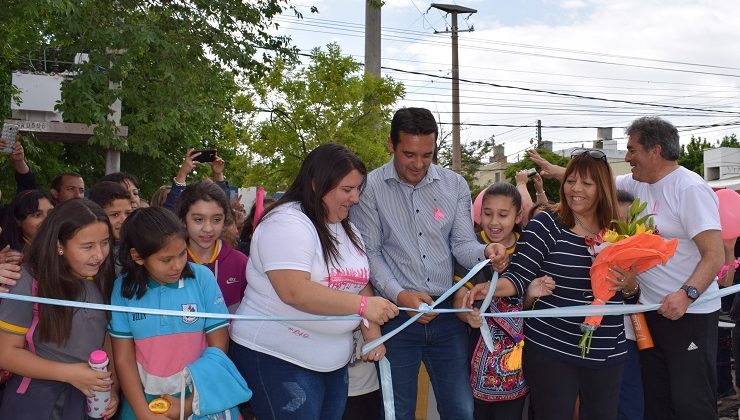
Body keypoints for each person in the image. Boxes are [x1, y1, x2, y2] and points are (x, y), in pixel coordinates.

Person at [529, 117, 725, 419]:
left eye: (632, 149)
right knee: (657, 401)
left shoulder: (689, 188)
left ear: (655, 150)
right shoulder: (635, 182)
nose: (628, 157)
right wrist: (556, 171)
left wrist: (687, 295)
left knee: (691, 402)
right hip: (648, 313)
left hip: (690, 313)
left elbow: (714, 255)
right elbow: (593, 181)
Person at [350, 108, 508, 420]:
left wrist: (486, 251)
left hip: (447, 315)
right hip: (396, 317)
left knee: (460, 410)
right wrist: (400, 296)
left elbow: (461, 245)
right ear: (390, 145)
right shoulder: (369, 189)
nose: (419, 164)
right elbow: (371, 254)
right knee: (397, 412)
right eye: (409, 154)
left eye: (428, 154)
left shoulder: (455, 185)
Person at [230, 143, 399, 420]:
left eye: (358, 189)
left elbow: (358, 280)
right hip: (279, 358)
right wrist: (362, 306)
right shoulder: (287, 223)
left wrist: (372, 333)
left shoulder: (347, 227)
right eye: (347, 190)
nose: (355, 198)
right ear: (317, 183)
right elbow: (294, 290)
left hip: (331, 364)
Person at [469, 149, 636, 420]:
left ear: (603, 187)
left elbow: (631, 294)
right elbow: (518, 277)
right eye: (570, 181)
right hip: (551, 349)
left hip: (607, 351)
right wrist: (486, 291)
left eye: (586, 183)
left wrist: (629, 284)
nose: (575, 189)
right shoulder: (547, 223)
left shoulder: (620, 231)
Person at [109, 207, 233, 420]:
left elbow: (218, 349)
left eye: (182, 253)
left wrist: (190, 402)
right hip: (142, 400)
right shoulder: (123, 289)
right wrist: (143, 413)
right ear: (138, 256)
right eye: (166, 260)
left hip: (200, 396)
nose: (177, 265)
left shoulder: (202, 279)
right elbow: (123, 359)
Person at [0, 199, 119, 419]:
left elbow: (107, 338)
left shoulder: (106, 277)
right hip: (36, 402)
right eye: (87, 246)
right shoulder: (27, 281)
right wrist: (70, 373)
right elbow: (5, 353)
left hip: (90, 399)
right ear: (59, 246)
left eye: (104, 242)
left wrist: (112, 387)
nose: (99, 255)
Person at [452, 182, 545, 420]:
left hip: (518, 364)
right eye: (487, 213)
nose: (494, 222)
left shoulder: (528, 249)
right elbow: (460, 299)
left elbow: (523, 308)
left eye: (503, 215)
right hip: (475, 362)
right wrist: (468, 315)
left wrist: (532, 295)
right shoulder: (472, 248)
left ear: (518, 216)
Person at [175, 181, 248, 313]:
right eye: (198, 219)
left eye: (216, 220)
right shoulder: (171, 263)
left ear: (225, 220)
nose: (208, 229)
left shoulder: (241, 263)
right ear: (183, 220)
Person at [615, 189, 644, 420]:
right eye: (616, 224)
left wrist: (630, 286)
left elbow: (634, 297)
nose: (622, 232)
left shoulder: (646, 250)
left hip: (629, 338)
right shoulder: (587, 245)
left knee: (631, 406)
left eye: (628, 223)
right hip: (587, 340)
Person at [88, 181, 134, 274]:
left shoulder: (137, 246)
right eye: (115, 214)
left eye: (128, 213)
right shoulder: (89, 253)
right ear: (97, 215)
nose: (124, 220)